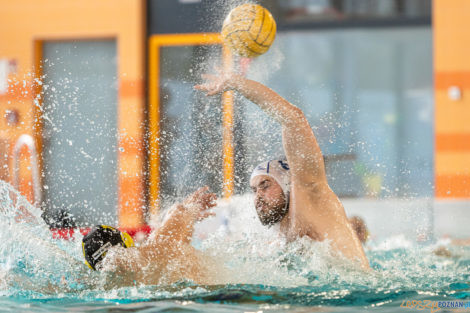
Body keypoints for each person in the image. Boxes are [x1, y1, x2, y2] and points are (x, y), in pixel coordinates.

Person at [195, 71, 370, 269]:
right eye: (254, 190)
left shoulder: (310, 193)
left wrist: (238, 84)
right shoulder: (282, 236)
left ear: (288, 184)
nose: (258, 196)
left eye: (265, 185)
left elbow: (293, 118)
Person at [82, 187, 221, 287]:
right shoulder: (141, 256)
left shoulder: (99, 285)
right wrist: (191, 208)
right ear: (124, 240)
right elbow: (178, 214)